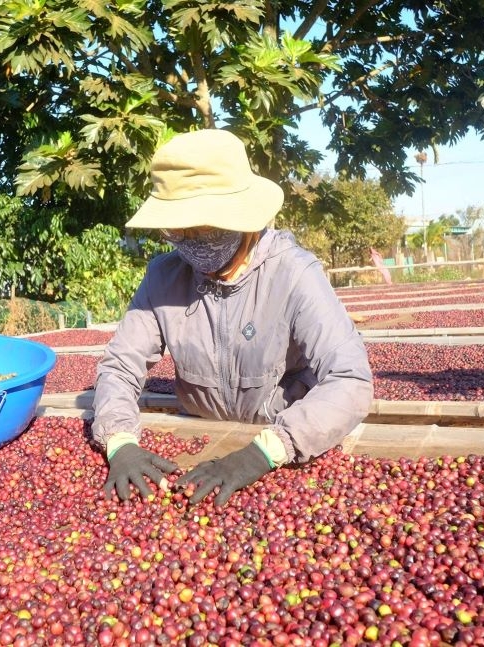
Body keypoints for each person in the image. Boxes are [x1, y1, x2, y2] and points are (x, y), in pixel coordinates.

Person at [92, 129, 374, 506]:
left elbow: (351, 381)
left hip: (283, 445)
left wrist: (265, 452)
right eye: (179, 229)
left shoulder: (293, 273)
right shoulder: (164, 278)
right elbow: (119, 367)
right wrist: (120, 442)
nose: (193, 239)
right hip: (201, 438)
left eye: (206, 227)